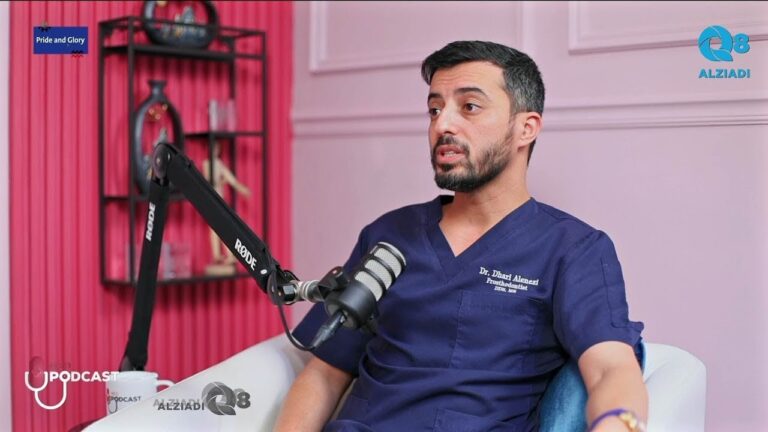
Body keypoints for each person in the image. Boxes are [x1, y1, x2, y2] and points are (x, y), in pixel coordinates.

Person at [276, 41, 647, 432]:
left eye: (469, 106)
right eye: (435, 109)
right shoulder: (389, 235)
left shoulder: (573, 249)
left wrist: (617, 424)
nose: (442, 125)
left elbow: (611, 368)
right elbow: (324, 373)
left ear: (525, 128)